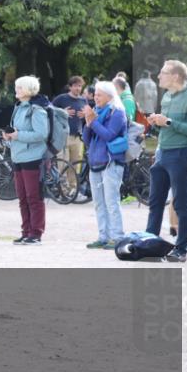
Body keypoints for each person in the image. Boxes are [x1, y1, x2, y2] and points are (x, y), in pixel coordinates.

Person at [144, 60, 187, 262]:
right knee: (155, 201)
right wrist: (157, 124)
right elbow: (167, 127)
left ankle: (181, 249)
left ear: (175, 76)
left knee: (181, 203)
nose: (159, 76)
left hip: (182, 154)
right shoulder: (167, 96)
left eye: (163, 72)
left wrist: (168, 121)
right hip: (163, 154)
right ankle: (149, 243)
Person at [80, 81, 127, 249]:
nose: (95, 97)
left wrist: (93, 122)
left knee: (111, 201)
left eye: (99, 94)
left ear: (109, 95)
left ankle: (117, 237)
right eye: (95, 94)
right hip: (95, 162)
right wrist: (88, 122)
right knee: (99, 203)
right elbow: (86, 139)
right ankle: (103, 236)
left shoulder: (117, 112)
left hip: (111, 163)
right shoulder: (97, 111)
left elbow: (109, 135)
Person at [4, 76, 49, 245]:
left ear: (29, 89)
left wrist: (18, 135)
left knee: (34, 197)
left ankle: (36, 233)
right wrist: (9, 136)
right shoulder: (18, 108)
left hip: (33, 158)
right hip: (18, 156)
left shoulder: (37, 109)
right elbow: (16, 131)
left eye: (20, 87)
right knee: (22, 197)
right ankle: (26, 231)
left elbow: (41, 134)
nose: (16, 89)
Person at [51, 76, 87, 168]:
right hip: (63, 137)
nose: (78, 88)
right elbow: (49, 109)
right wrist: (63, 112)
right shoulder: (61, 98)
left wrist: (85, 115)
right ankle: (63, 183)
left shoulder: (83, 100)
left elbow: (87, 118)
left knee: (75, 166)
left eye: (80, 86)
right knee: (63, 165)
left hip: (78, 137)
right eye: (75, 86)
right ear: (70, 87)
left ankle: (74, 183)